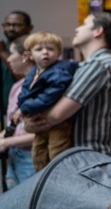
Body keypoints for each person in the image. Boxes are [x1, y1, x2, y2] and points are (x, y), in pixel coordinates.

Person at [23, 12, 111, 157]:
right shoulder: (91, 64)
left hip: (90, 159)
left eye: (84, 24)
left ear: (98, 31)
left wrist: (30, 122)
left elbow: (56, 115)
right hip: (88, 157)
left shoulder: (99, 64)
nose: (77, 29)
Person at [17, 32, 78, 171]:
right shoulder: (35, 71)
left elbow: (50, 95)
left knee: (57, 152)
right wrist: (21, 106)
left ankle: (58, 179)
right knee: (38, 152)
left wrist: (25, 107)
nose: (45, 52)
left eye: (50, 49)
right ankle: (42, 179)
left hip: (59, 122)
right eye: (39, 49)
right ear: (30, 54)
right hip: (39, 119)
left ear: (59, 53)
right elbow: (26, 91)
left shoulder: (60, 70)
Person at [1, 36, 35, 189]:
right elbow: (14, 125)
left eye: (12, 53)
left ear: (25, 56)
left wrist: (7, 142)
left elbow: (43, 132)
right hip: (14, 155)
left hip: (31, 156)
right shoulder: (17, 86)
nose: (8, 59)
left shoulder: (42, 88)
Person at [1, 10, 33, 118]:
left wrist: (3, 54)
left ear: (30, 28)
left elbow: (27, 79)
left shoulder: (34, 47)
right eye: (7, 25)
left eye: (17, 25)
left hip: (24, 110)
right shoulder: (2, 44)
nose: (11, 28)